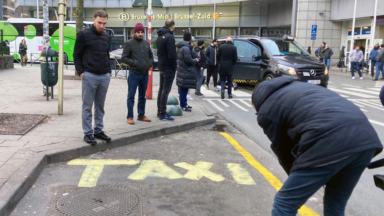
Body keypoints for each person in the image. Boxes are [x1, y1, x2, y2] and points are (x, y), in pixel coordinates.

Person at [252, 76, 383, 216]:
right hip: (366, 140)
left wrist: (298, 177)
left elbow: (283, 150)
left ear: (256, 102)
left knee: (285, 202)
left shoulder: (266, 110)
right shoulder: (300, 88)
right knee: (336, 202)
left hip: (329, 140)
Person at [73, 10, 112, 145]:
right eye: (99, 23)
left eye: (104, 23)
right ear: (94, 19)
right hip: (89, 75)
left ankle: (98, 130)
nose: (102, 26)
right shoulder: (83, 35)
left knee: (100, 106)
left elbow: (107, 54)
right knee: (87, 106)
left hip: (104, 76)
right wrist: (81, 72)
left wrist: (109, 72)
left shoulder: (106, 36)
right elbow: (76, 55)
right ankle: (88, 133)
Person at [122, 23, 154, 125]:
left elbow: (150, 56)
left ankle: (141, 115)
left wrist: (149, 63)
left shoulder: (146, 43)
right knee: (131, 96)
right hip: (134, 74)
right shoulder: (129, 43)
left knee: (142, 96)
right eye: (138, 32)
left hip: (144, 74)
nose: (140, 34)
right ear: (134, 32)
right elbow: (124, 58)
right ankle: (130, 117)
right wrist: (135, 63)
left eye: (141, 32)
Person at [156, 19, 177, 121]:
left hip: (161, 66)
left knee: (161, 89)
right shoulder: (170, 37)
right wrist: (174, 67)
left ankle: (159, 111)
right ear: (172, 26)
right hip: (168, 67)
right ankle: (162, 113)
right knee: (166, 90)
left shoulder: (160, 36)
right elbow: (172, 55)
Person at [176, 32, 198, 112]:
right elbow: (188, 60)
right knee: (184, 89)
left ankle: (184, 103)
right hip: (185, 71)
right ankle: (183, 105)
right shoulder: (186, 48)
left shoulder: (180, 47)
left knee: (183, 88)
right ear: (189, 39)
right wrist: (195, 60)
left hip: (182, 70)